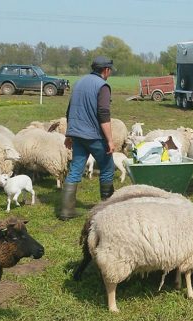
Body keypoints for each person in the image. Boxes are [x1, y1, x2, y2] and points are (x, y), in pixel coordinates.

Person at [59, 56, 116, 220]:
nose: (110, 73)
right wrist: (110, 141)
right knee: (107, 167)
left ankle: (66, 211)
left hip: (77, 134)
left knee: (75, 169)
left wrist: (69, 133)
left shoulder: (79, 83)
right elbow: (104, 114)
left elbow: (70, 110)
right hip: (94, 136)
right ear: (106, 70)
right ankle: (108, 209)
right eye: (110, 71)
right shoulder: (102, 86)